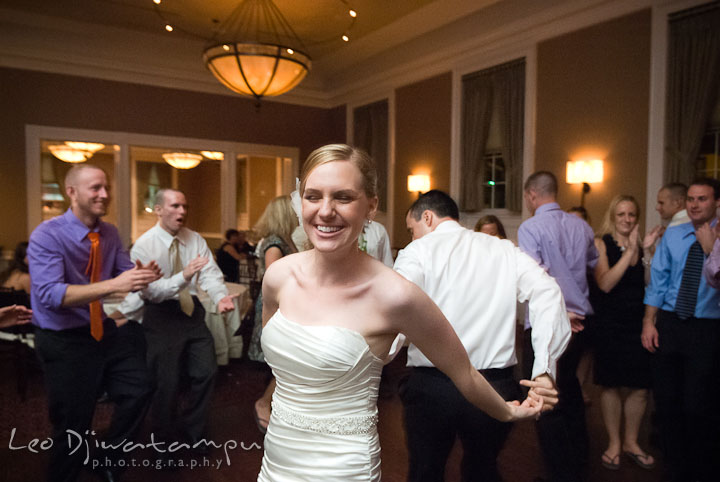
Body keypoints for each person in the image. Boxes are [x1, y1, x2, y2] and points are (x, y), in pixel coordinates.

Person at [255, 144, 543, 481]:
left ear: (371, 207)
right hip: (278, 456)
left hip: (342, 466)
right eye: (313, 196)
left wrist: (508, 411)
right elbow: (282, 362)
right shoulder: (278, 277)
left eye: (343, 197)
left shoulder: (395, 295)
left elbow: (463, 371)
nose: (325, 211)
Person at [396, 189, 569, 481]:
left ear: (427, 216)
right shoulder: (503, 249)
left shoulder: (418, 250)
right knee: (483, 469)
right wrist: (544, 369)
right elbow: (548, 292)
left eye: (411, 230)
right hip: (496, 385)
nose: (412, 237)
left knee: (425, 471)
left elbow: (396, 305)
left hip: (432, 387)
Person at [28, 164, 161, 482]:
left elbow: (122, 269)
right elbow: (50, 294)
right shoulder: (47, 235)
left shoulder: (110, 233)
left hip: (100, 330)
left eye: (106, 187)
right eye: (95, 188)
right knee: (74, 421)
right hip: (62, 337)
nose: (104, 194)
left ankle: (107, 460)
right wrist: (116, 285)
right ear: (71, 192)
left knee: (139, 387)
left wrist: (141, 275)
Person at [128, 188, 236, 451]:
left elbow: (209, 273)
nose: (182, 212)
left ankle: (193, 432)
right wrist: (184, 276)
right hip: (161, 316)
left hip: (192, 313)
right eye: (175, 206)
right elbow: (152, 293)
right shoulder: (144, 246)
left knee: (206, 372)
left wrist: (220, 296)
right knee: (166, 383)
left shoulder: (195, 239)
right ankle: (163, 443)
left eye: (184, 206)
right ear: (158, 210)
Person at [518, 170, 598, 482]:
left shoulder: (530, 228)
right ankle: (580, 462)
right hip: (581, 322)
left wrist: (561, 312)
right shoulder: (582, 226)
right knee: (570, 389)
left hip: (548, 324)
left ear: (530, 195)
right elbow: (591, 264)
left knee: (543, 394)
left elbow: (534, 278)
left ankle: (558, 472)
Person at [642, 178, 720, 482]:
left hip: (708, 327)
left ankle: (703, 469)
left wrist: (711, 248)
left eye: (702, 199)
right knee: (667, 401)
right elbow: (658, 283)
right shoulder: (673, 235)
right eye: (690, 198)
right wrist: (649, 321)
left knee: (699, 405)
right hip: (671, 324)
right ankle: (674, 468)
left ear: (715, 203)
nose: (695, 204)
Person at [592, 195, 654, 470]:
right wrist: (629, 253)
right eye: (621, 215)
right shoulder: (600, 243)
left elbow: (649, 285)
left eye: (631, 214)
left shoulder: (641, 246)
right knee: (611, 385)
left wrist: (647, 255)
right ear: (612, 217)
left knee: (640, 387)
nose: (627, 219)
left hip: (637, 324)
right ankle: (614, 443)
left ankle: (631, 441)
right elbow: (605, 283)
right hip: (610, 325)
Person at [248, 195, 299, 434]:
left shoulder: (285, 239)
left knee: (289, 361)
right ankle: (263, 403)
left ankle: (279, 408)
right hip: (277, 307)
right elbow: (274, 279)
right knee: (287, 362)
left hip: (289, 305)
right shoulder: (274, 243)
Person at [643, 183, 689, 256]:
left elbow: (666, 265)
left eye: (661, 203)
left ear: (677, 203)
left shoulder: (675, 229)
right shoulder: (694, 224)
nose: (657, 208)